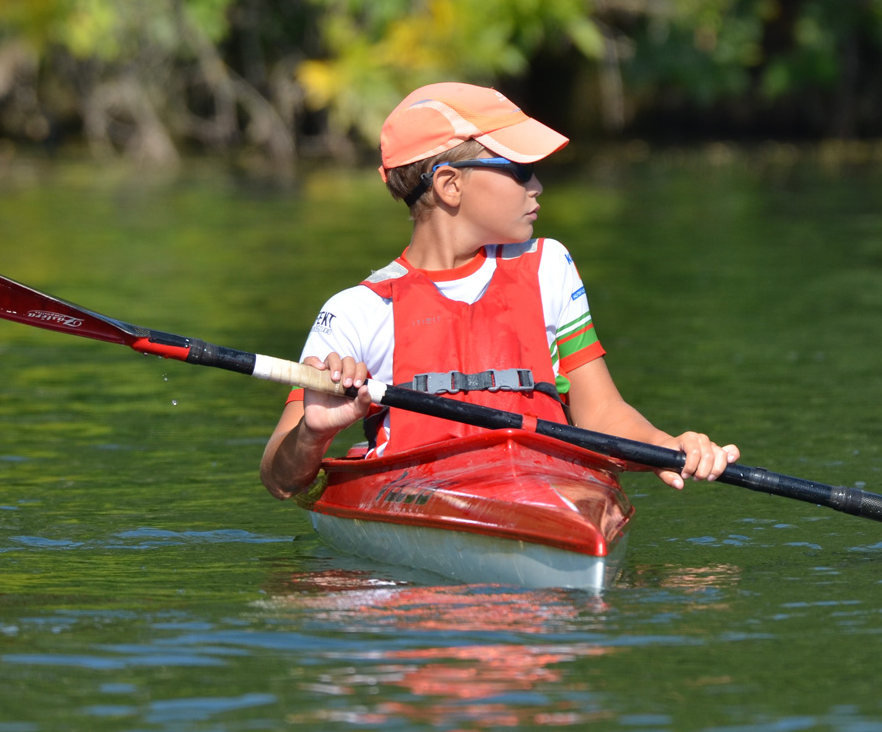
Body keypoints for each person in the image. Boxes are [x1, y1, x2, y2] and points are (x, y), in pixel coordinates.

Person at [260, 82, 739, 499]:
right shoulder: (356, 312)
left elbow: (601, 414)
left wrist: (666, 445)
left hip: (548, 492)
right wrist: (312, 435)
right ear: (450, 185)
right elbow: (281, 480)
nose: (538, 186)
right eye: (519, 169)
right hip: (418, 508)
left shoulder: (549, 267)